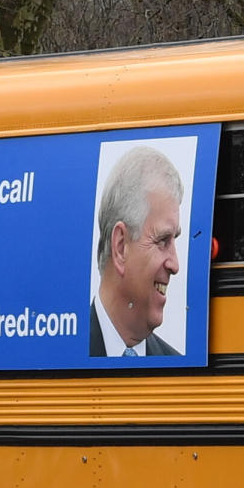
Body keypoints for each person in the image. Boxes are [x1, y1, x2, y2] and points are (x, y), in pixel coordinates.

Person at [91, 146, 183, 357]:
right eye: (162, 240)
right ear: (121, 246)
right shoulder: (58, 355)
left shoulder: (174, 363)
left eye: (174, 239)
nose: (175, 265)